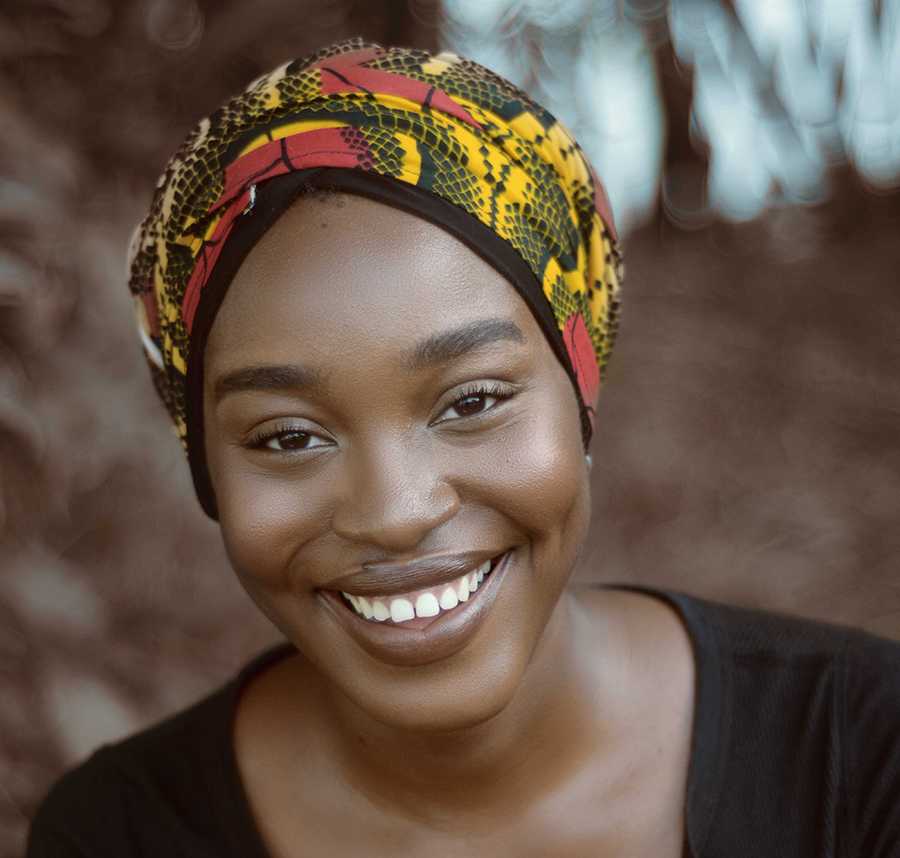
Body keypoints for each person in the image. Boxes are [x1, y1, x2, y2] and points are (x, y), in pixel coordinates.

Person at [26, 38, 900, 858]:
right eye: (289, 435)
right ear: (207, 465)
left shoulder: (860, 760)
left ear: (579, 395)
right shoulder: (117, 833)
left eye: (472, 401)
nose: (397, 515)